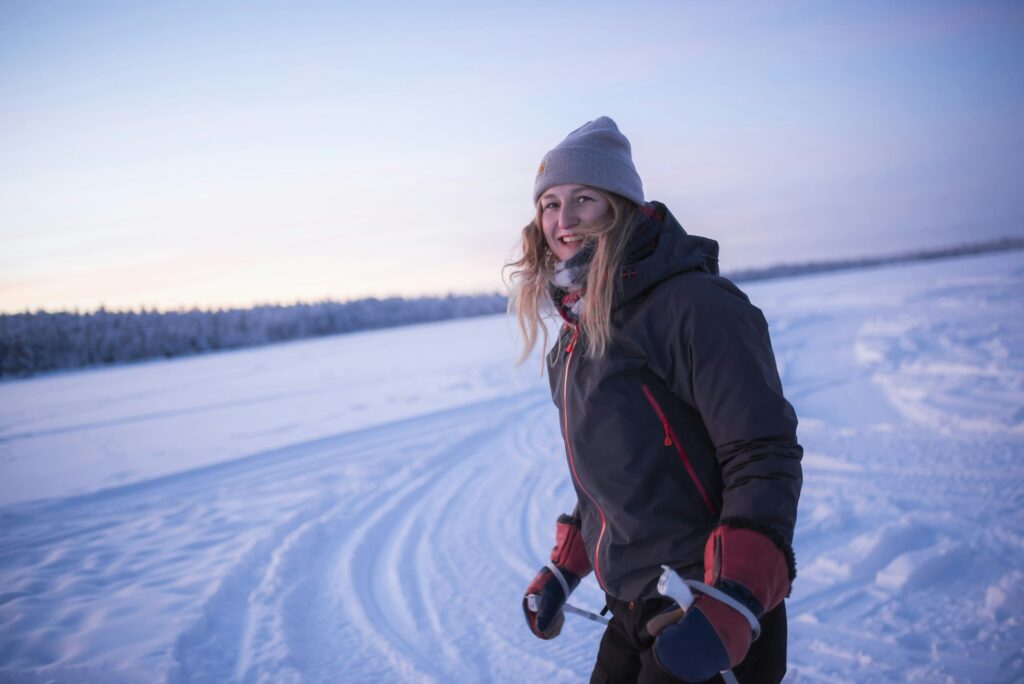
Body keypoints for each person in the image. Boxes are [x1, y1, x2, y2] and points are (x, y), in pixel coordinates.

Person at [507, 117, 803, 684]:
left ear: (618, 206)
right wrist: (565, 566)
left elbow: (762, 452)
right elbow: (609, 480)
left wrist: (736, 595)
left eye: (582, 199)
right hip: (633, 602)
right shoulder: (577, 337)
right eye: (548, 203)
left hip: (706, 607)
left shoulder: (694, 305)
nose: (562, 220)